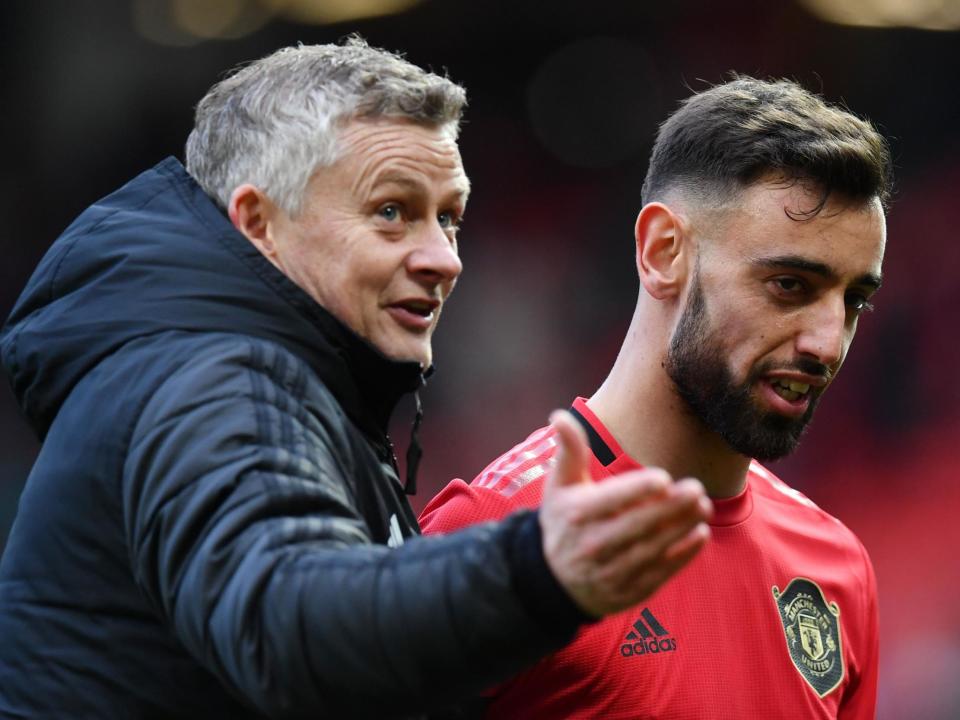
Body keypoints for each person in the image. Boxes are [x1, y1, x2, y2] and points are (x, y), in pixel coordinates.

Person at [0, 38, 713, 719]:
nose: (443, 258)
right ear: (259, 223)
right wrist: (532, 569)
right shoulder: (218, 381)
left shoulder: (257, 375)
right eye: (392, 212)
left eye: (450, 219)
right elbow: (286, 624)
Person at [421, 76, 891, 719]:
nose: (827, 342)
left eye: (854, 301)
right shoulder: (491, 536)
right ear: (663, 252)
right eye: (789, 284)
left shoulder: (836, 567)